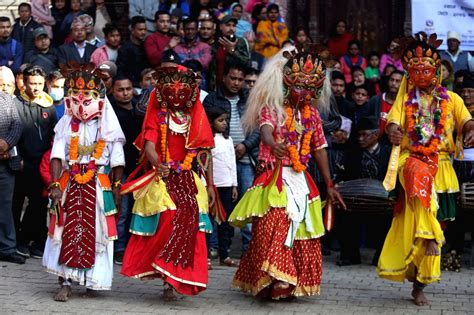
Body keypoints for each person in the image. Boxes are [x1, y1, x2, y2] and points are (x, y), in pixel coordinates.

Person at [228, 46, 345, 300]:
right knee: (273, 225)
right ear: (288, 82)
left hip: (300, 179)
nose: (305, 91)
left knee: (301, 232)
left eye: (310, 86)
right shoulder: (272, 107)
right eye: (300, 84)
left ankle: (287, 282)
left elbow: (320, 149)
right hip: (273, 177)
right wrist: (273, 144)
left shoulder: (312, 114)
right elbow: (267, 130)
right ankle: (270, 278)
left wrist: (329, 183)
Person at [377, 33, 474, 306]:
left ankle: (420, 284)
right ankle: (430, 235)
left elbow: (467, 121)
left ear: (436, 71)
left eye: (427, 69)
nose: (422, 74)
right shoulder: (404, 98)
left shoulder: (452, 99)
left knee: (437, 223)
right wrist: (394, 132)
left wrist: (470, 130)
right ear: (410, 72)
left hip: (442, 167)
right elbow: (393, 123)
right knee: (420, 180)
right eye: (416, 70)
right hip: (411, 160)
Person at [121, 66, 215, 300]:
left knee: (192, 220)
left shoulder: (195, 116)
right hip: (163, 175)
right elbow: (149, 144)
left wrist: (211, 185)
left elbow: (203, 151)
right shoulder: (158, 114)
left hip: (187, 176)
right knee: (168, 217)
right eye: (171, 93)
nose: (176, 98)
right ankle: (165, 273)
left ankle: (174, 280)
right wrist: (158, 163)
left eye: (181, 93)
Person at [44, 62, 125, 301]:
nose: (81, 101)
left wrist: (118, 188)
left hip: (98, 183)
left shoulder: (108, 123)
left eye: (87, 96)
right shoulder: (67, 123)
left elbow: (118, 160)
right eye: (77, 96)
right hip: (70, 182)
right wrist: (56, 185)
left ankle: (94, 281)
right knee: (63, 228)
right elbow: (57, 155)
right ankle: (66, 282)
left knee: (100, 231)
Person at [203, 61, 259, 252]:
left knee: (247, 204)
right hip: (217, 160)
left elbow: (260, 127)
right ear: (224, 77)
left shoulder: (250, 99)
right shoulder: (212, 99)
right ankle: (215, 248)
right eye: (233, 78)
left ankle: (249, 249)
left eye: (240, 80)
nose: (236, 83)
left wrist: (246, 145)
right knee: (215, 205)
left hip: (245, 158)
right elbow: (203, 128)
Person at [12, 65, 56, 259]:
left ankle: (31, 240)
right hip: (21, 163)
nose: (36, 88)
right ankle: (15, 241)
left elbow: (54, 135)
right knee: (16, 203)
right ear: (24, 83)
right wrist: (17, 157)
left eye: (39, 83)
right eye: (32, 83)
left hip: (41, 164)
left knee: (38, 205)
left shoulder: (49, 106)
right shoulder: (15, 104)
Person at [337, 116, 391, 266]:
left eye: (365, 135)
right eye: (358, 135)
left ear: (376, 135)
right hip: (356, 199)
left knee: (389, 219)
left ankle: (381, 256)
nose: (360, 139)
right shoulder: (353, 153)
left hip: (381, 199)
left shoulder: (388, 153)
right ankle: (350, 255)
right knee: (345, 215)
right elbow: (344, 176)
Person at [109, 76, 142, 265]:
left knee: (137, 211)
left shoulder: (139, 109)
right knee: (121, 210)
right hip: (120, 170)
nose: (125, 93)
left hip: (140, 168)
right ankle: (119, 248)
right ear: (113, 90)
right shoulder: (110, 112)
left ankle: (134, 247)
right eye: (121, 89)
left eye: (128, 89)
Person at [205, 106, 239, 267]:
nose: (224, 123)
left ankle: (224, 255)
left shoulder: (228, 140)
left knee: (226, 221)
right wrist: (207, 185)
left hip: (226, 184)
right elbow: (204, 164)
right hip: (212, 186)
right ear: (211, 123)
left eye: (226, 120)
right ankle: (206, 256)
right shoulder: (207, 140)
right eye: (220, 120)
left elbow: (232, 163)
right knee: (209, 221)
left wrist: (234, 185)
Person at [451, 73, 474, 265]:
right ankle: (453, 253)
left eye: (470, 91)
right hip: (457, 162)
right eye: (463, 91)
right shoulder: (454, 110)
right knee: (457, 208)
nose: (466, 95)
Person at [0, 92, 24, 264]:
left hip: (6, 162)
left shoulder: (6, 98)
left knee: (5, 207)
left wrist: (6, 143)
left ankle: (7, 248)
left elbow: (17, 125)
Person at [207, 15, 250, 91]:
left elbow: (247, 63)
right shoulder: (215, 43)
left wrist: (233, 51)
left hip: (235, 87)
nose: (231, 28)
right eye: (228, 25)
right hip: (217, 87)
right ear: (220, 27)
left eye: (233, 25)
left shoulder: (241, 42)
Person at [367, 70, 403, 136]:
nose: (393, 83)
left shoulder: (404, 104)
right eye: (392, 80)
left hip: (394, 143)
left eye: (397, 81)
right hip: (376, 143)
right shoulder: (375, 100)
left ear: (403, 84)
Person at [116, 16, 149, 88]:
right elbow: (120, 71)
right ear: (132, 30)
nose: (143, 32)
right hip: (131, 87)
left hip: (145, 86)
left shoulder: (146, 46)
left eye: (145, 29)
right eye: (140, 29)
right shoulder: (125, 49)